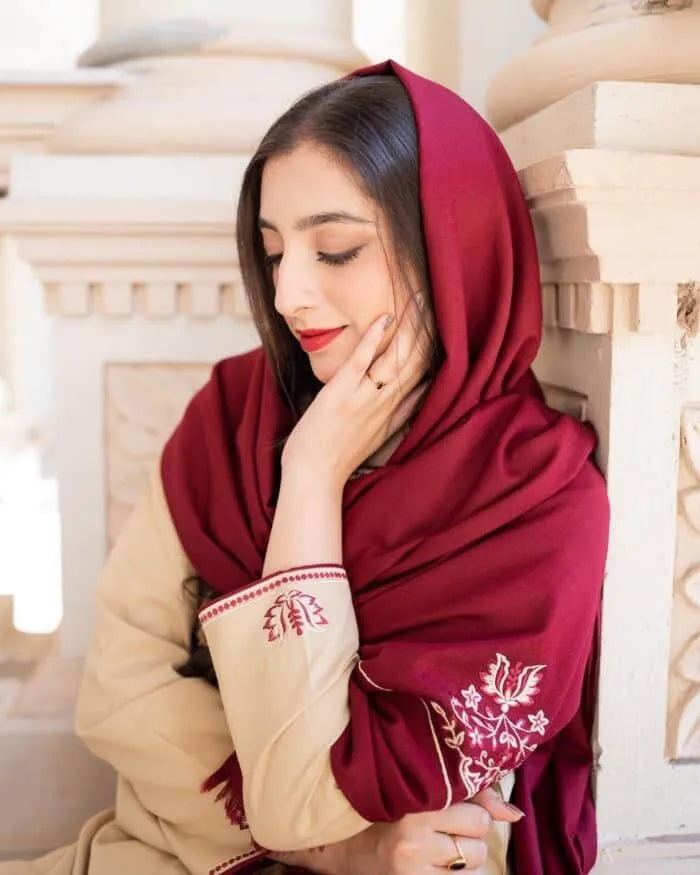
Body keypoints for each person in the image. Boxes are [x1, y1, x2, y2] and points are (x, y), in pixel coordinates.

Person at [0, 60, 609, 875]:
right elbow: (122, 687)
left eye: (336, 248)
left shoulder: (537, 499)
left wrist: (312, 478)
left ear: (452, 246)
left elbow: (310, 793)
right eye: (274, 250)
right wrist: (346, 848)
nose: (287, 293)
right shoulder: (232, 416)